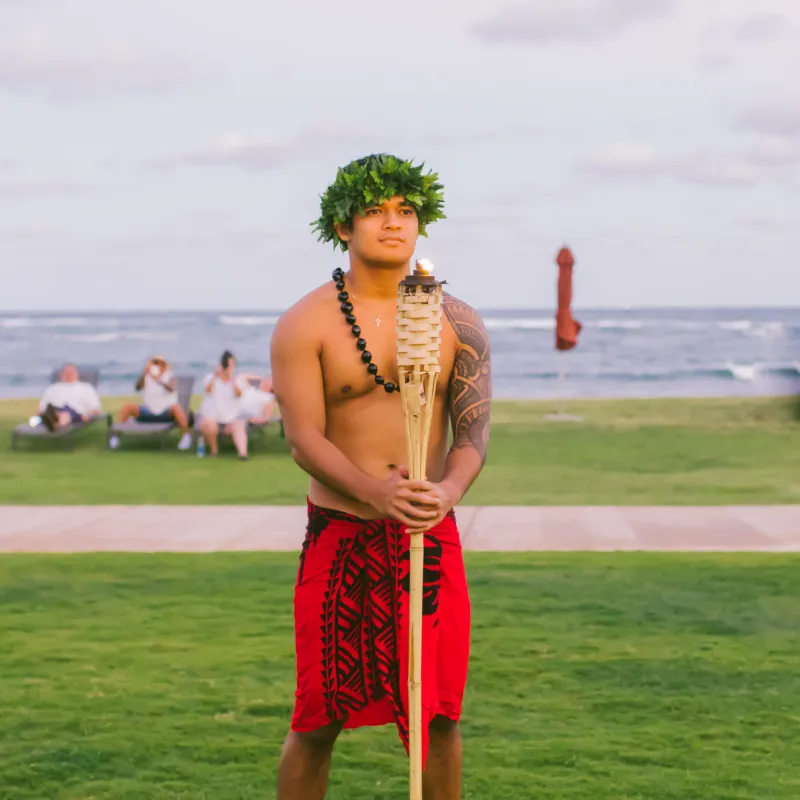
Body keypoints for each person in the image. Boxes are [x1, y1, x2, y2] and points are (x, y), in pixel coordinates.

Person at [270, 154, 492, 799]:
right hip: (341, 535)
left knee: (439, 717)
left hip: (428, 536)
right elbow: (303, 439)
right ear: (343, 226)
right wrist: (374, 492)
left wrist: (447, 491)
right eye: (374, 211)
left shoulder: (458, 321)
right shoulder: (306, 322)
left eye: (406, 210)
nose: (393, 223)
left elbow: (472, 434)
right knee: (318, 719)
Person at [112, 356, 192, 450]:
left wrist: (159, 380)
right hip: (148, 411)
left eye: (160, 363)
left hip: (165, 412)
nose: (157, 365)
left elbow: (171, 389)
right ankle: (115, 437)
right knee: (127, 406)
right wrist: (143, 374)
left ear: (164, 365)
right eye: (155, 363)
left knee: (176, 408)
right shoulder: (146, 377)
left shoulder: (169, 376)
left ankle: (186, 437)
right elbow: (137, 387)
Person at [196, 350, 250, 459]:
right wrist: (215, 376)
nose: (230, 368)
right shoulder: (210, 378)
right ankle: (214, 451)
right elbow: (207, 390)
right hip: (211, 415)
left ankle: (243, 454)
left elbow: (239, 394)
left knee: (239, 425)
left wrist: (232, 380)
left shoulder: (237, 380)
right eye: (228, 365)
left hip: (232, 416)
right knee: (209, 424)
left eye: (232, 365)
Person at [37, 363, 103, 431]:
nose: (68, 374)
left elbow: (95, 408)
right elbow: (42, 407)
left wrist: (89, 416)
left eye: (71, 372)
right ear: (62, 374)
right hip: (54, 409)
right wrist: (39, 414)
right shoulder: (52, 388)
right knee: (51, 410)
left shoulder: (86, 388)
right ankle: (54, 419)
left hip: (76, 413)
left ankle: (55, 422)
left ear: (77, 374)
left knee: (65, 414)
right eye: (66, 372)